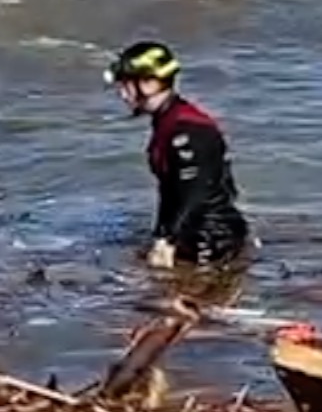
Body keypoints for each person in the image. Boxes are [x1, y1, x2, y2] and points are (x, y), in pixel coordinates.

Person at [104, 41, 249, 271]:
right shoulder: (169, 121)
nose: (122, 94)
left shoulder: (186, 130)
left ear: (150, 83)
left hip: (208, 241)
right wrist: (160, 234)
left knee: (175, 304)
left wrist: (167, 241)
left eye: (126, 85)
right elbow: (172, 191)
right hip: (198, 233)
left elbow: (194, 191)